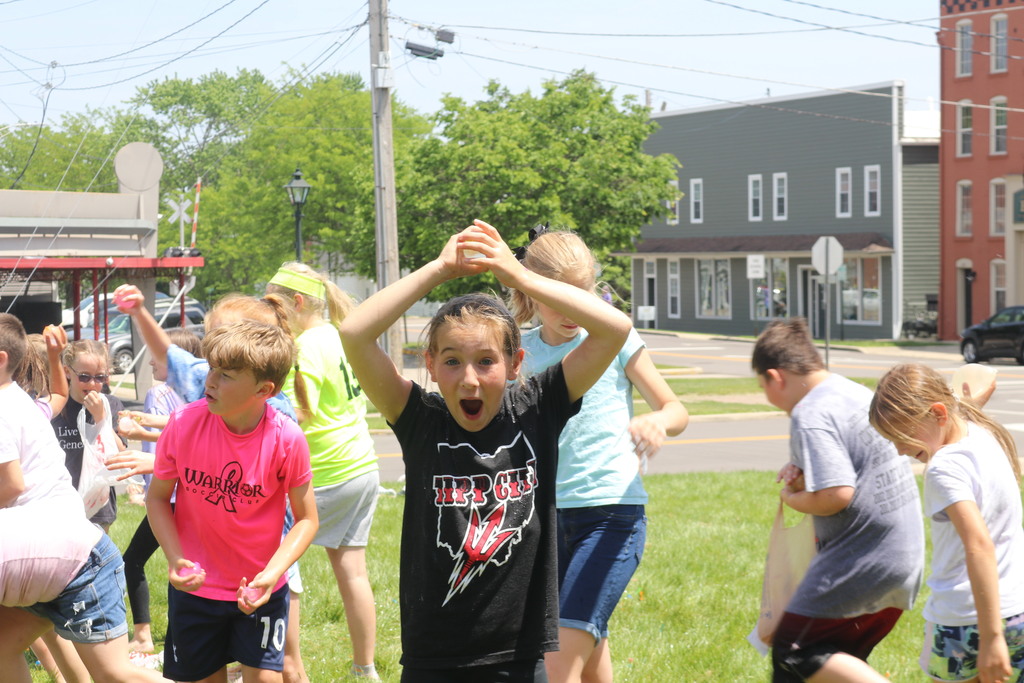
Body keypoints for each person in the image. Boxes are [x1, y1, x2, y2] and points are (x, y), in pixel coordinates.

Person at [339, 219, 632, 681]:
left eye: (486, 361)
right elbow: (354, 331)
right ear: (430, 365)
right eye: (452, 361)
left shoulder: (537, 408)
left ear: (516, 365)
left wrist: (517, 276)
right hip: (432, 659)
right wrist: (438, 269)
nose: (470, 379)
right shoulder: (420, 421)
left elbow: (614, 328)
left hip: (520, 657)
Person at [508, 229, 689, 683]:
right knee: (590, 647)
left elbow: (676, 408)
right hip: (546, 521)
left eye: (581, 294)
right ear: (532, 289)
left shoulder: (613, 340)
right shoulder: (521, 354)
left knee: (556, 662)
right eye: (558, 297)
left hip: (611, 516)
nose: (571, 310)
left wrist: (658, 422)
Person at [115, 286, 310, 682]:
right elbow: (156, 499)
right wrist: (174, 558)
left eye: (225, 375)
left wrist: (273, 575)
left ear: (264, 391)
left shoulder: (287, 437)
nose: (210, 381)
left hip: (259, 592)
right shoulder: (184, 423)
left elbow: (307, 520)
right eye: (210, 369)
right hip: (195, 593)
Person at [751, 318, 924, 683]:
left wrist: (793, 498)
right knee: (831, 665)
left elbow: (836, 495)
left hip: (864, 561)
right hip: (902, 558)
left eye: (762, 385)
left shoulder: (810, 413)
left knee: (794, 653)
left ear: (776, 377)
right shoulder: (851, 392)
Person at [0, 312, 163, 683]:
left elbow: (11, 484)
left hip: (71, 554)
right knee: (5, 648)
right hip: (50, 545)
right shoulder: (19, 400)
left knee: (114, 673)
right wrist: (56, 358)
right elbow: (57, 395)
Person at [869, 363, 1024, 683]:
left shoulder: (943, 469)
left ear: (939, 414)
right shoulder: (983, 433)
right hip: (1018, 609)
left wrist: (991, 636)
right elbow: (958, 416)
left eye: (902, 436)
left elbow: (979, 546)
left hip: (967, 620)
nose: (899, 450)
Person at [266, 263, 380, 680]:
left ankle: (283, 663)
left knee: (276, 563)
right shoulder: (337, 334)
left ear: (297, 303)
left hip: (326, 473)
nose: (272, 316)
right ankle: (364, 667)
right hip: (362, 466)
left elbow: (299, 411)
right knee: (353, 572)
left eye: (275, 306)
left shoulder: (308, 345)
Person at [110, 327, 201, 655]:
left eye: (157, 355)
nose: (150, 360)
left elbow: (171, 445)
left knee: (133, 561)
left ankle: (145, 636)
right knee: (191, 566)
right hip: (196, 497)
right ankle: (185, 640)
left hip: (169, 498)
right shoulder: (206, 397)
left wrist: (140, 435)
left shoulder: (159, 394)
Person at [51, 339, 126, 533]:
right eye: (84, 377)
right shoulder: (56, 407)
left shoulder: (112, 405)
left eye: (100, 377)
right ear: (67, 372)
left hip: (98, 506)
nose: (92, 384)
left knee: (95, 561)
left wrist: (101, 418)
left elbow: (122, 454)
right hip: (59, 502)